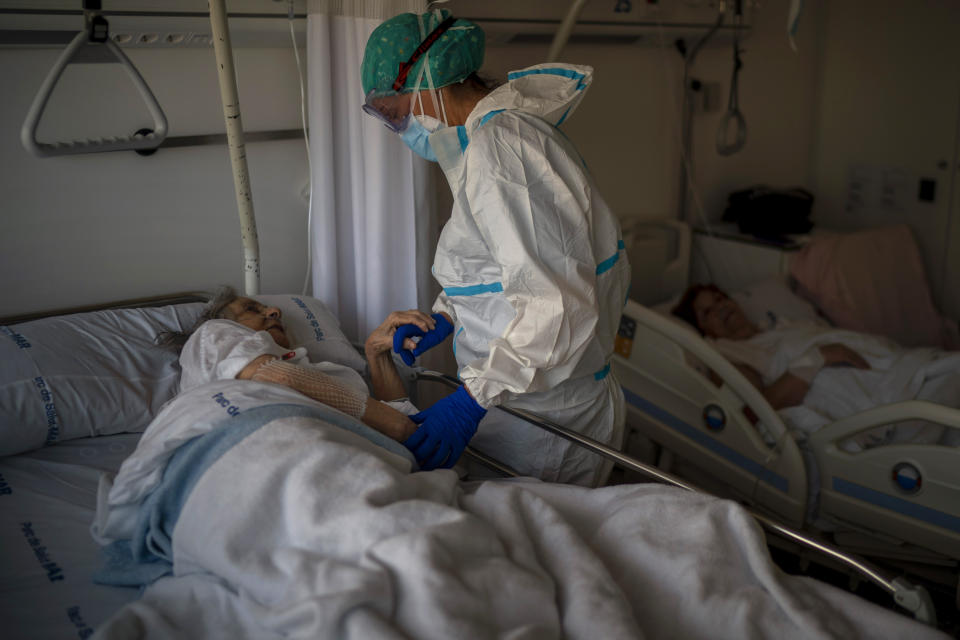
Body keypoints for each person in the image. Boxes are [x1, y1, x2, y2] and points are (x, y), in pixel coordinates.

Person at [360, 9, 631, 485]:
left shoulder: (501, 149)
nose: (399, 126)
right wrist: (450, 316)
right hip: (530, 401)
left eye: (394, 109)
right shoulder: (493, 143)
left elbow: (559, 306)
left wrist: (472, 399)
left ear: (428, 79)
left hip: (545, 419)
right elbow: (507, 272)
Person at [671, 283, 960, 447]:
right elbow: (756, 408)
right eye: (707, 310)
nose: (721, 306)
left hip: (900, 365)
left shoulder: (778, 325)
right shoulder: (727, 354)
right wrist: (818, 358)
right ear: (704, 329)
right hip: (875, 393)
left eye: (721, 298)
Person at [159, 286, 436, 443]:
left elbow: (398, 419)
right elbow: (274, 376)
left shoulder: (328, 374)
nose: (274, 311)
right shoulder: (212, 334)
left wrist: (376, 354)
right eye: (252, 310)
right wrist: (399, 425)